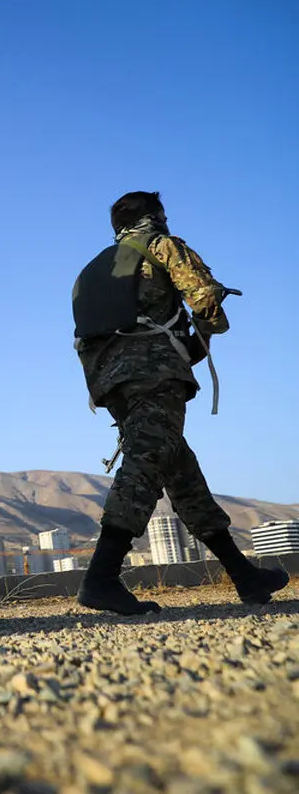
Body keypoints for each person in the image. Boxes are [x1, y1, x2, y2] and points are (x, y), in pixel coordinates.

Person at [71, 190, 290, 615]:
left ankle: (244, 576)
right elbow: (204, 298)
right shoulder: (160, 245)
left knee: (181, 471)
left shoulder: (96, 267)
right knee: (146, 462)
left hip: (110, 383)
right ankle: (100, 578)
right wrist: (203, 338)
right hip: (154, 371)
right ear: (154, 218)